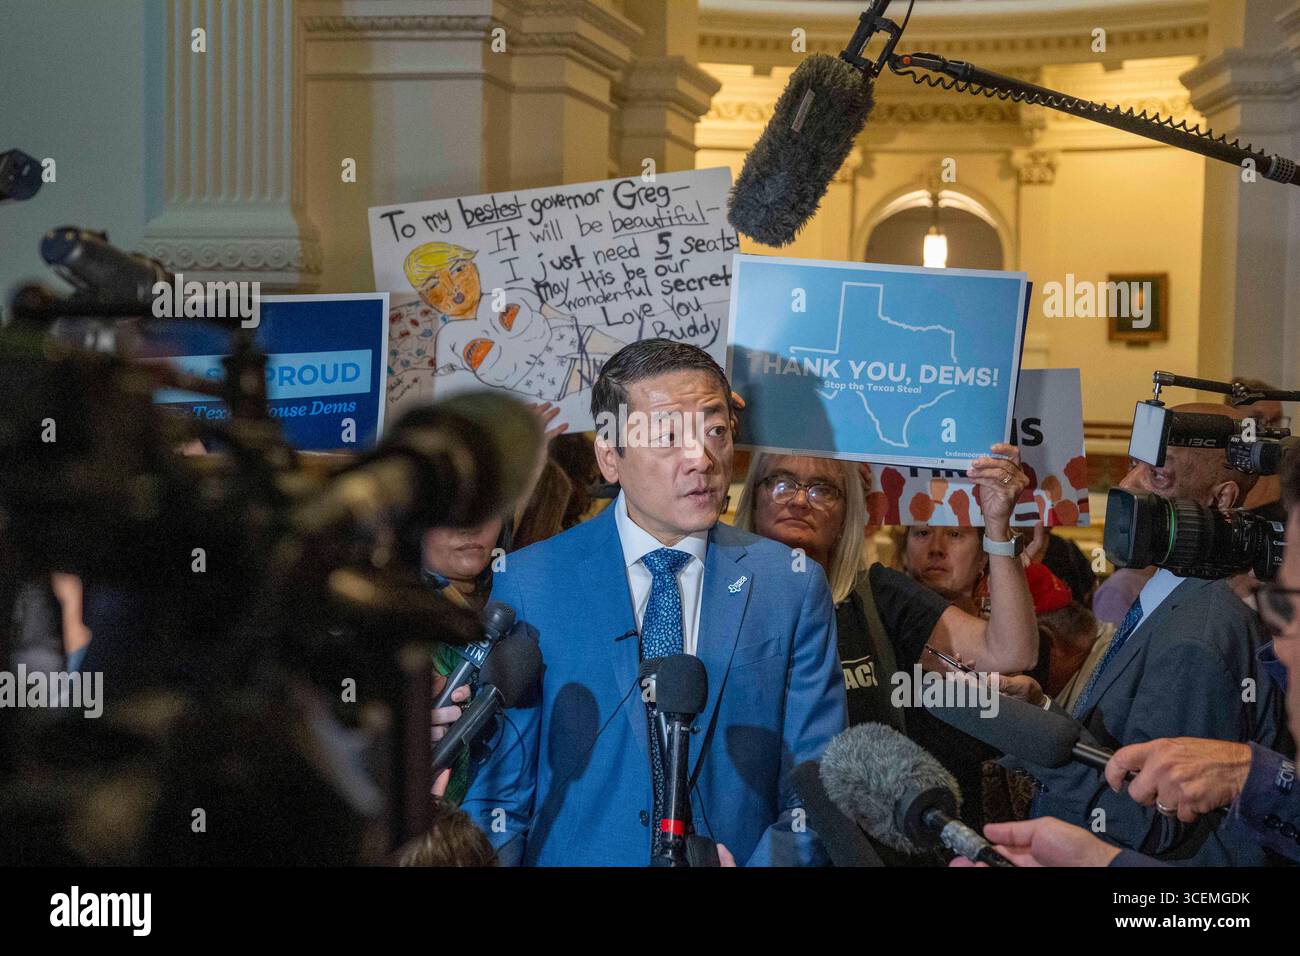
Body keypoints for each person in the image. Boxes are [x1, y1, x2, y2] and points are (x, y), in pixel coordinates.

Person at [459, 339, 847, 866]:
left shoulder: (790, 585)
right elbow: (502, 793)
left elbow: (818, 785)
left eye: (715, 431)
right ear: (610, 456)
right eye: (668, 437)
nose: (702, 459)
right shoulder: (532, 583)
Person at [955, 443, 1300, 868]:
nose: (1125, 485)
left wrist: (1034, 742)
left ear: (1221, 499)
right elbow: (1120, 750)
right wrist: (1041, 714)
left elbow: (1154, 818)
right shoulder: (1170, 597)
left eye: (1157, 475)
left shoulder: (1198, 636)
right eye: (1132, 466)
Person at [732, 450, 1038, 841]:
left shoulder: (877, 595)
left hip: (868, 848)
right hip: (751, 844)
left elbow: (1012, 652)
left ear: (847, 513)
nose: (798, 499)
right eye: (781, 482)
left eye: (822, 489)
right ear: (753, 496)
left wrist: (997, 526)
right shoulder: (716, 593)